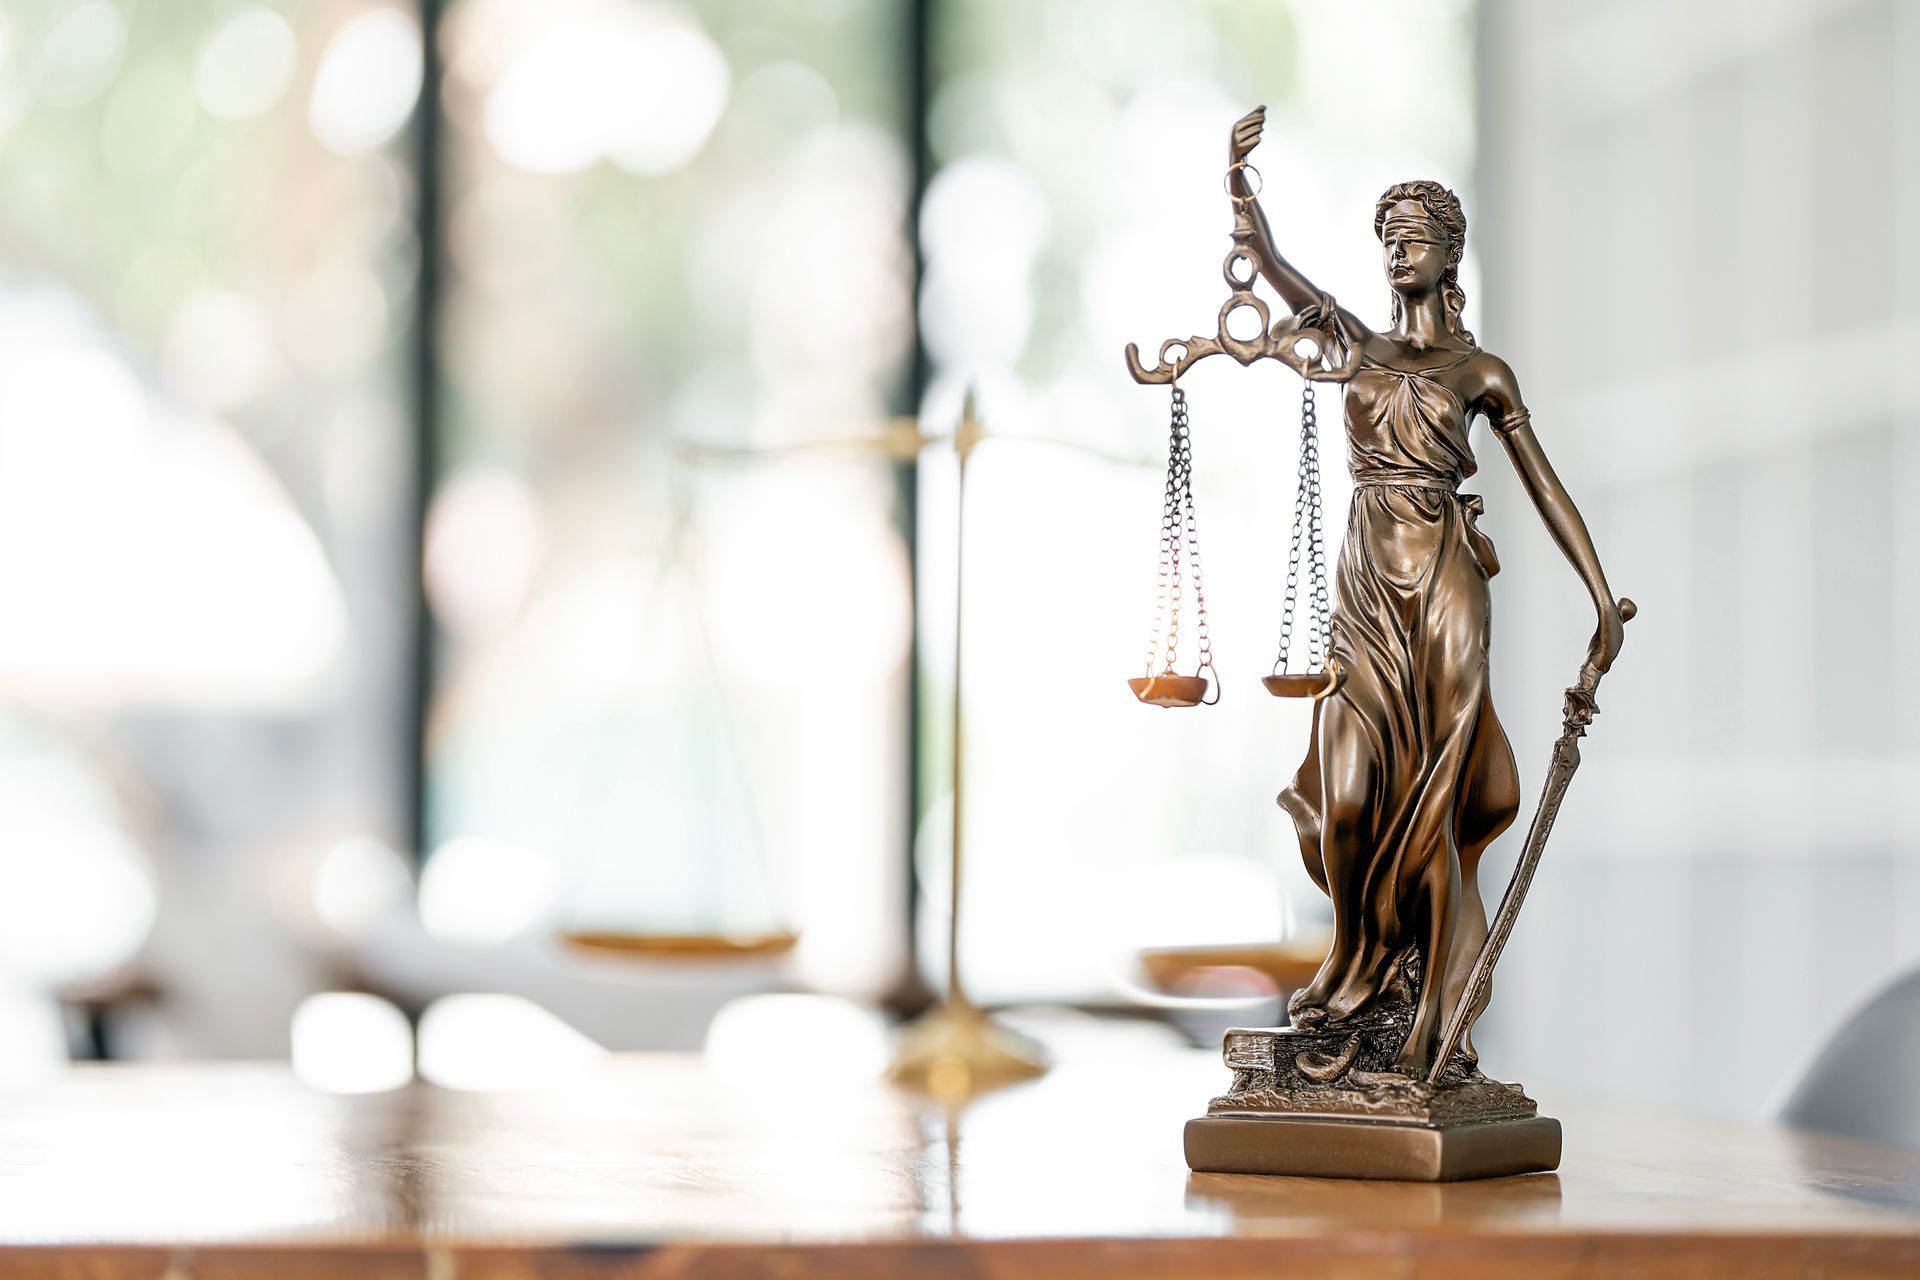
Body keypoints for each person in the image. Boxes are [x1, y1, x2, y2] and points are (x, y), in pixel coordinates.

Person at [1226, 107, 1627, 1076]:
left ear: (1452, 254)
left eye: (1419, 238)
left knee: (1438, 799)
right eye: (1390, 238)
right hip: (1365, 580)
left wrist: (1601, 599)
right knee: (1353, 793)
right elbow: (1278, 271)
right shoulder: (1357, 349)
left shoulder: (1479, 370)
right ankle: (1355, 973)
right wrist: (1241, 195)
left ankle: (1429, 1019)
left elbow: (1544, 486)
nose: (1401, 251)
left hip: (1445, 576)